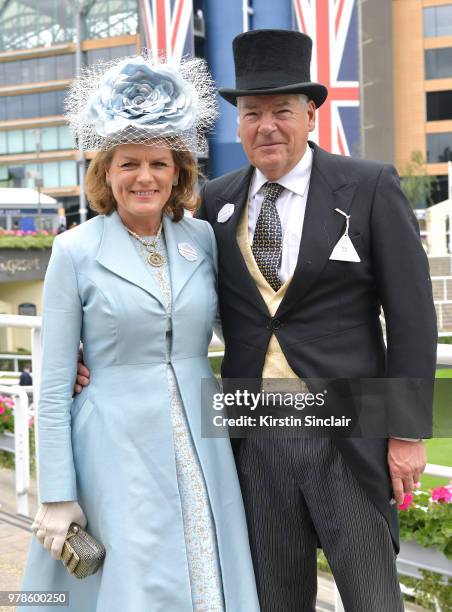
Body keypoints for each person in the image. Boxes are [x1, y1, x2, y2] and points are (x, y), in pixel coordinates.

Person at [195, 30, 437, 611]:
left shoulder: (370, 186)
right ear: (237, 124)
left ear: (310, 115)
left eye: (282, 110)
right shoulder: (215, 200)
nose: (267, 126)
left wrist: (406, 432)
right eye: (252, 113)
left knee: (372, 596)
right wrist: (89, 356)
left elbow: (411, 317)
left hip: (348, 432)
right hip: (254, 434)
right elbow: (178, 303)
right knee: (275, 599)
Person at [21, 55, 260, 612]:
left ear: (179, 170)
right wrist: (57, 495)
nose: (145, 177)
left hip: (202, 443)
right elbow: (54, 387)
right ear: (106, 171)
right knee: (135, 583)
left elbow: (239, 327)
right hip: (113, 449)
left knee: (208, 572)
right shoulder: (73, 251)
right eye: (129, 163)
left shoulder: (200, 239)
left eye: (158, 162)